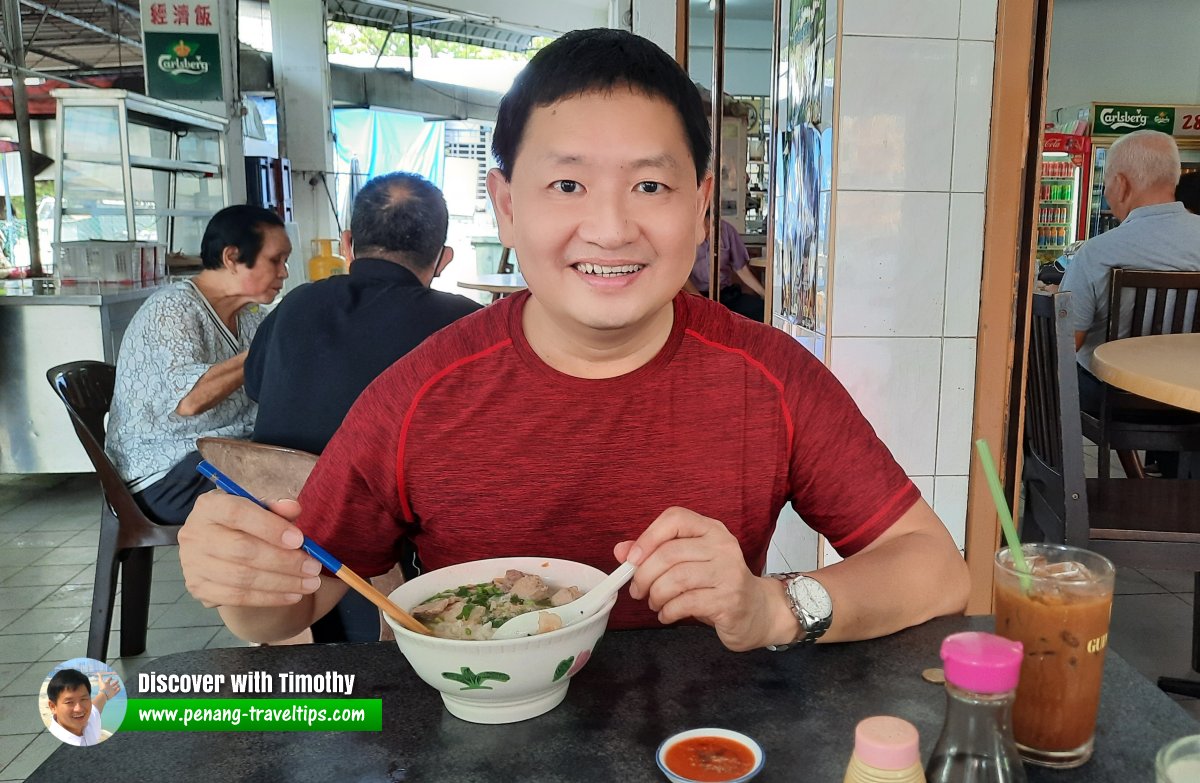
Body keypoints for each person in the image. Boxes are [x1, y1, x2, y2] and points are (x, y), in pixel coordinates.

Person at [179, 29, 968, 652]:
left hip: (702, 745)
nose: (612, 226)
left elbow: (933, 569)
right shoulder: (422, 391)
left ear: (700, 210)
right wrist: (239, 573)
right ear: (506, 204)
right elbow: (286, 610)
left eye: (650, 186)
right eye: (567, 184)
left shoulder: (770, 376)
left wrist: (774, 605)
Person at [243, 171, 481, 641]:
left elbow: (256, 389)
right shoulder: (465, 327)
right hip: (394, 561)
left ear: (348, 244)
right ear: (444, 259)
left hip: (281, 530)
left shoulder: (294, 306)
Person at [107, 205, 290, 524]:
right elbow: (189, 401)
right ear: (231, 257)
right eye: (276, 260)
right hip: (164, 477)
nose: (284, 272)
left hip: (219, 457)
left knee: (319, 469)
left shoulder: (250, 318)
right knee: (296, 493)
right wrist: (269, 346)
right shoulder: (172, 309)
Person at [1060, 130, 1200, 414]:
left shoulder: (1097, 252)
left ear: (1121, 184)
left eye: (1106, 184)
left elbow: (1066, 342)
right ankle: (1167, 460)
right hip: (1189, 402)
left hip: (1113, 401)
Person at [685, 210, 766, 321]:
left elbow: (741, 269)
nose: (710, 229)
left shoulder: (726, 230)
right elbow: (682, 277)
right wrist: (701, 302)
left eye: (711, 223)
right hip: (695, 295)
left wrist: (764, 293)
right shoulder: (686, 234)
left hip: (725, 294)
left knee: (759, 309)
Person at [45, 669, 120, 746]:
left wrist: (105, 693)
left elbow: (96, 706)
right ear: (53, 707)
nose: (79, 709)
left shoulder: (89, 720)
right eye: (69, 702)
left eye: (83, 699)